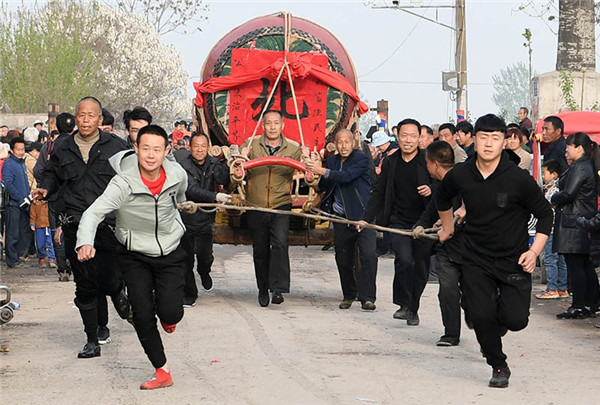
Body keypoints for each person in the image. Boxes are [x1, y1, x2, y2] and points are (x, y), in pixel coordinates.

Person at [436, 113, 553, 388]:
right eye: (484, 138)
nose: (489, 144)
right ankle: (498, 364)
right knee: (481, 315)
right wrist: (448, 226)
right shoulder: (461, 174)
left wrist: (534, 251)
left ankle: (490, 322)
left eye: (495, 138)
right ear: (474, 140)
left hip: (513, 260)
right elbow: (442, 197)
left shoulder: (518, 179)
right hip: (475, 257)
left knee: (515, 320)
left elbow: (546, 215)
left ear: (505, 142)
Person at [76, 125, 188, 390]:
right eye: (145, 148)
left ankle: (168, 316)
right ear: (135, 148)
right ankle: (162, 371)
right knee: (142, 314)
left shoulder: (177, 175)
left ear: (166, 152)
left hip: (171, 251)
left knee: (171, 311)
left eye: (157, 150)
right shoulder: (123, 183)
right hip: (134, 255)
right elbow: (94, 213)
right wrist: (85, 241)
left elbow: (181, 199)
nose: (150, 155)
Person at [36, 97, 130, 358]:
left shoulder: (116, 147)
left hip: (107, 224)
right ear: (76, 118)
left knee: (110, 279)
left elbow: (131, 179)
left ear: (100, 120)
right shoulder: (63, 147)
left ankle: (118, 291)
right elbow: (52, 174)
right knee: (85, 283)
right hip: (74, 223)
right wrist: (45, 189)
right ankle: (92, 338)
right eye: (81, 115)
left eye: (91, 116)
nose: (86, 120)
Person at [359, 118, 433, 326]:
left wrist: (431, 190)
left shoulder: (428, 160)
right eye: (404, 135)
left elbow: (445, 186)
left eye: (413, 136)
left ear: (420, 138)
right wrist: (366, 218)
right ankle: (404, 304)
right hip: (398, 221)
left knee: (420, 267)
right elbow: (379, 193)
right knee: (404, 260)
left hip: (425, 222)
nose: (408, 140)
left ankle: (413, 307)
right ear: (397, 137)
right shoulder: (391, 161)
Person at [306, 129, 377, 311]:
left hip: (362, 217)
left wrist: (321, 170)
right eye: (340, 142)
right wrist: (312, 177)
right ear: (335, 145)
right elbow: (326, 184)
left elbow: (346, 177)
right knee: (343, 258)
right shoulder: (332, 161)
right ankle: (349, 294)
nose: (344, 146)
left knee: (368, 256)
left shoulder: (361, 158)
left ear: (353, 143)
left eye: (347, 142)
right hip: (340, 217)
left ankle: (367, 298)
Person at [241, 110, 303, 307]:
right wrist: (239, 159)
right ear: (263, 126)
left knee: (280, 243)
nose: (273, 127)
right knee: (260, 249)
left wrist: (311, 163)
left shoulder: (293, 148)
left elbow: (309, 170)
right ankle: (262, 288)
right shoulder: (251, 145)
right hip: (256, 204)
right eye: (269, 123)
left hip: (280, 203)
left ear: (282, 125)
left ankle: (278, 289)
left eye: (276, 123)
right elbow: (234, 164)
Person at [414, 140, 465, 346]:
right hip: (446, 248)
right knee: (448, 289)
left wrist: (453, 221)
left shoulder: (464, 179)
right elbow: (431, 211)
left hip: (470, 245)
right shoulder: (439, 186)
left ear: (434, 164)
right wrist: (419, 227)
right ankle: (451, 333)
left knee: (473, 292)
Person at [175, 132, 230, 308]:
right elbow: (192, 190)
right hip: (186, 219)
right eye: (196, 146)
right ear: (190, 148)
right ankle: (189, 294)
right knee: (186, 259)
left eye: (203, 146)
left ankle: (204, 272)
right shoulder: (183, 166)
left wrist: (230, 161)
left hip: (206, 219)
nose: (199, 149)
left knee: (205, 256)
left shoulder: (213, 163)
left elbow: (223, 179)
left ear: (208, 148)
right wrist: (216, 196)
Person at [552, 132, 600, 319]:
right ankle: (590, 304)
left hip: (574, 222)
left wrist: (554, 198)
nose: (565, 151)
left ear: (578, 148)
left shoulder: (580, 168)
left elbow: (569, 193)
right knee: (583, 265)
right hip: (581, 221)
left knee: (576, 266)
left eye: (568, 147)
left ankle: (579, 305)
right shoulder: (585, 166)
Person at [33, 112, 75, 282]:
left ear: (56, 126)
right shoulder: (77, 144)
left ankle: (62, 269)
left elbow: (38, 170)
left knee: (55, 230)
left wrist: (46, 186)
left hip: (53, 197)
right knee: (73, 230)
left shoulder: (49, 147)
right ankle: (74, 264)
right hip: (74, 197)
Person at [535, 159, 568, 299]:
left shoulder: (552, 191)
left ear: (554, 174)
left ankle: (552, 288)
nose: (543, 176)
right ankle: (562, 288)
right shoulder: (559, 188)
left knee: (550, 259)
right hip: (559, 230)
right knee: (561, 260)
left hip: (552, 229)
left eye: (544, 173)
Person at [2, 137, 32, 268]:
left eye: (23, 149)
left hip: (24, 203)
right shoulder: (9, 164)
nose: (21, 152)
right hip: (13, 204)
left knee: (22, 232)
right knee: (12, 233)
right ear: (12, 150)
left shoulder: (21, 163)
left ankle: (18, 256)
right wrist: (19, 198)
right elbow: (8, 184)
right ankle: (12, 260)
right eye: (18, 149)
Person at [30, 198, 56, 269]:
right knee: (40, 244)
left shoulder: (50, 202)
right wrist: (32, 223)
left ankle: (52, 259)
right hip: (39, 226)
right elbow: (33, 214)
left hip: (49, 225)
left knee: (50, 243)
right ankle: (42, 258)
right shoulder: (35, 203)